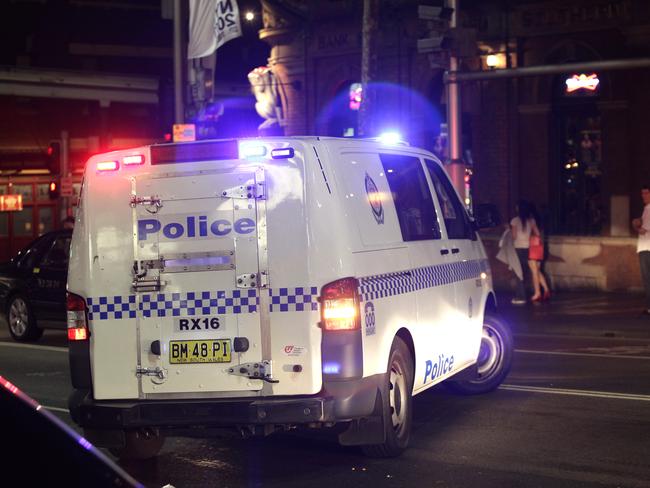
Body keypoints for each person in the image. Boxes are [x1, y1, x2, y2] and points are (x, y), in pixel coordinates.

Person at [509, 200, 536, 305]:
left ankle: (520, 297)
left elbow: (514, 236)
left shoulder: (515, 221)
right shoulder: (531, 220)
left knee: (518, 273)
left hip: (518, 248)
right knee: (525, 272)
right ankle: (528, 293)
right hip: (528, 248)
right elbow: (537, 232)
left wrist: (508, 229)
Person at [632, 184, 650, 315]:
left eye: (645, 193)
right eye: (642, 193)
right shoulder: (646, 209)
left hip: (647, 248)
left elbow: (644, 230)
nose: (643, 196)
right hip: (645, 247)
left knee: (647, 278)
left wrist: (636, 225)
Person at [528, 203, 551, 303]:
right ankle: (546, 290)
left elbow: (536, 232)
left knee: (534, 271)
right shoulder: (538, 219)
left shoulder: (531, 220)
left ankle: (537, 293)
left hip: (533, 246)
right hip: (539, 246)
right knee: (537, 270)